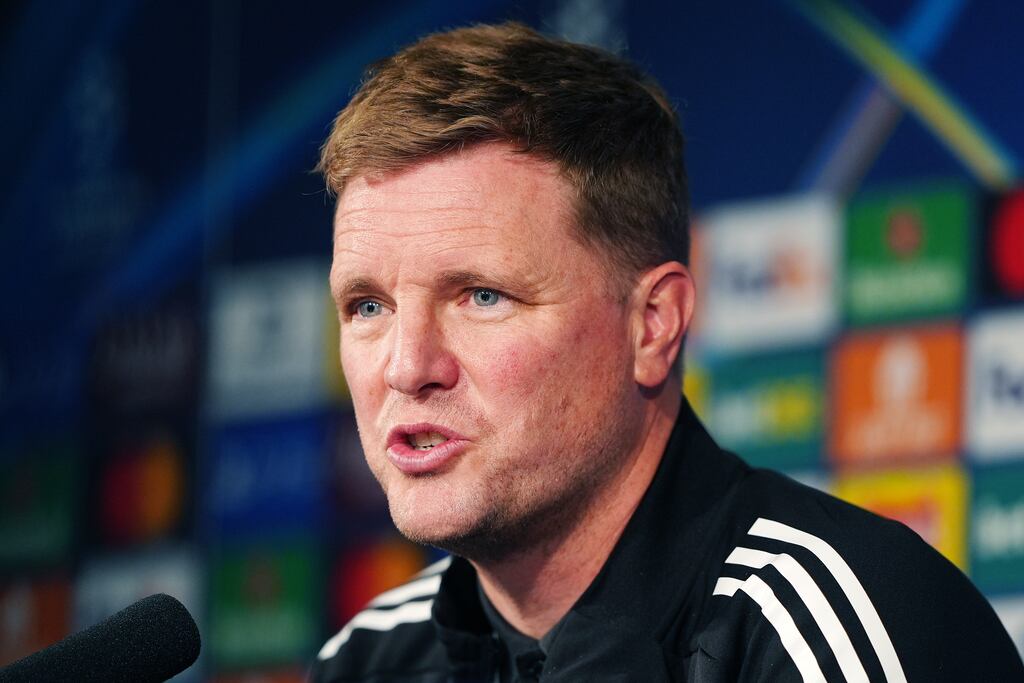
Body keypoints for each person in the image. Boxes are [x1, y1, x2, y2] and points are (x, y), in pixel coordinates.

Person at [311, 21, 1023, 683]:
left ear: (653, 325)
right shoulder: (367, 660)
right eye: (368, 306)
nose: (406, 366)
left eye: (481, 296)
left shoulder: (826, 630)